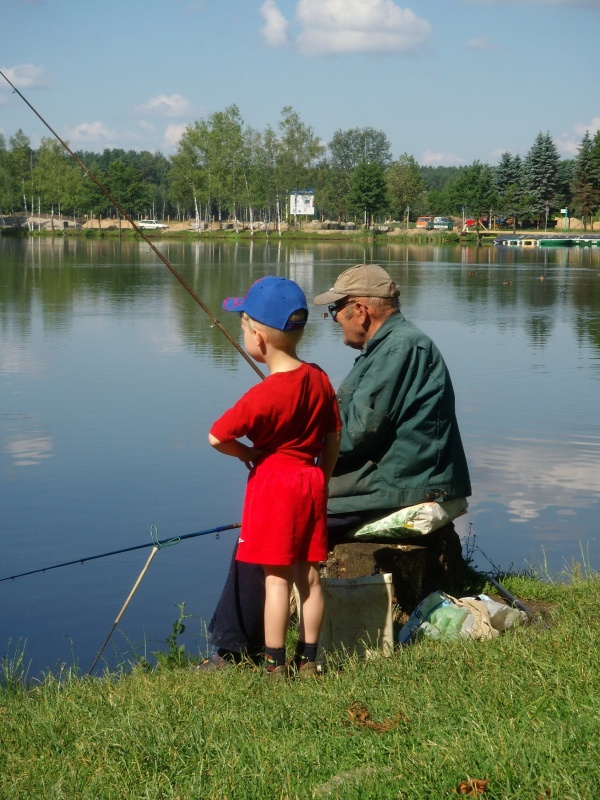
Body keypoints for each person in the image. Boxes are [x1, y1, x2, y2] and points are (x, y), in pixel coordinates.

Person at [199, 263, 471, 671]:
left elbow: (356, 433)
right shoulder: (383, 348)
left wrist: (287, 450)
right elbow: (341, 423)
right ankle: (271, 646)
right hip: (389, 473)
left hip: (406, 484)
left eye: (337, 311)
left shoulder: (399, 349)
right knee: (276, 520)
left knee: (266, 524)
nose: (333, 320)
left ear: (360, 310)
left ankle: (235, 650)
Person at [205, 276, 342, 677]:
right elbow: (333, 436)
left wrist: (246, 452)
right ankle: (310, 661)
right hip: (310, 481)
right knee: (310, 577)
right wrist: (324, 478)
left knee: (276, 581)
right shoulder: (319, 378)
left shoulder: (262, 395)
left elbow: (216, 436)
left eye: (243, 327)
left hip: (274, 488)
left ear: (259, 339)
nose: (243, 334)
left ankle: (274, 664)